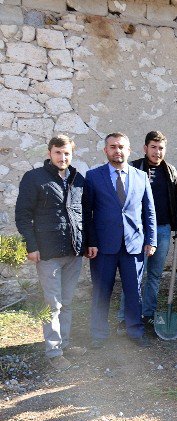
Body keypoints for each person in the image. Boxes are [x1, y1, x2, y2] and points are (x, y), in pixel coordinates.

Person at [15, 135, 87, 371]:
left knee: (66, 301)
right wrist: (31, 245)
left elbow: (84, 215)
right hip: (48, 252)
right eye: (58, 152)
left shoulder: (78, 180)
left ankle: (63, 344)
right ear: (49, 153)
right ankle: (54, 352)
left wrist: (87, 243)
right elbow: (23, 215)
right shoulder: (34, 178)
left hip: (74, 251)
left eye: (67, 153)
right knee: (52, 303)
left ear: (71, 154)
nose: (63, 157)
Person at [83, 132, 157, 349]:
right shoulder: (93, 176)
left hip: (133, 244)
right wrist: (90, 242)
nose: (118, 150)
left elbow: (149, 212)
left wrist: (151, 240)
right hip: (103, 246)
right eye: (113, 147)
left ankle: (135, 331)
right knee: (101, 290)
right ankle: (98, 335)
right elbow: (87, 213)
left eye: (121, 146)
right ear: (106, 150)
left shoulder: (140, 177)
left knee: (134, 290)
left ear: (129, 149)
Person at [116, 131, 177, 334]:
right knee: (133, 274)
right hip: (137, 229)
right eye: (153, 147)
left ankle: (147, 315)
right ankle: (125, 316)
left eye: (161, 148)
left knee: (154, 275)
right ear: (145, 148)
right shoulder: (133, 169)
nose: (157, 152)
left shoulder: (171, 171)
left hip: (162, 229)